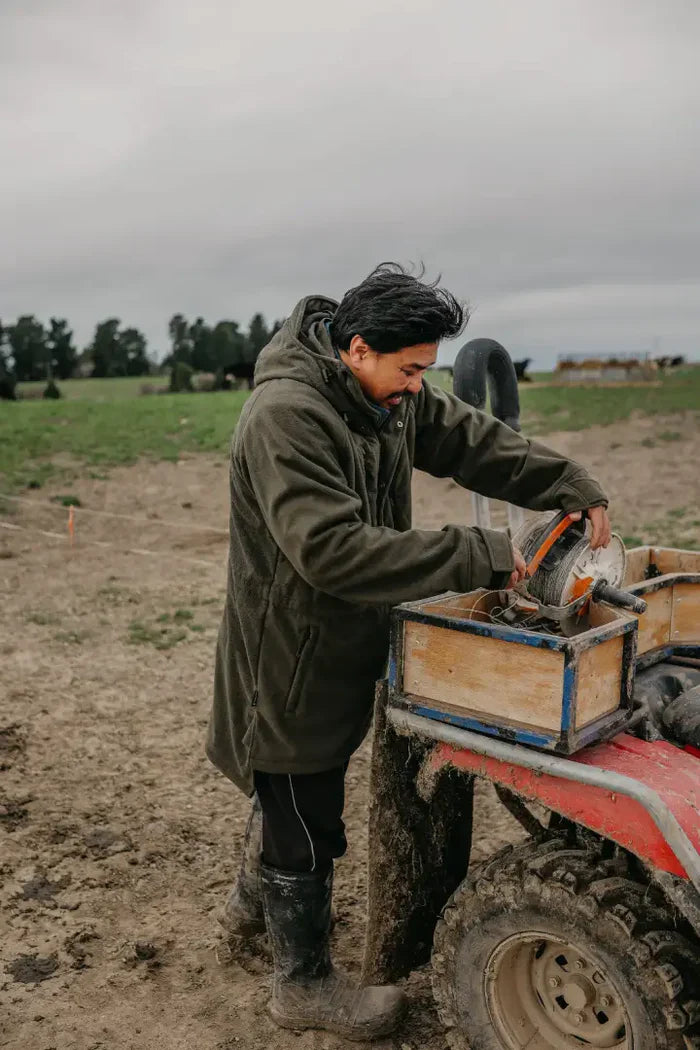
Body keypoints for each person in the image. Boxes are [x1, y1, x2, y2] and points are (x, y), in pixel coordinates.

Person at [206, 263, 610, 1040]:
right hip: (286, 651)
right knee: (301, 798)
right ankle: (302, 985)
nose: (420, 386)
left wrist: (570, 482)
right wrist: (478, 554)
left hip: (340, 635)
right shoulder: (286, 416)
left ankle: (253, 907)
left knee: (296, 790)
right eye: (412, 369)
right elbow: (330, 551)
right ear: (358, 348)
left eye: (428, 369)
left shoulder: (386, 395)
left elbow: (471, 439)